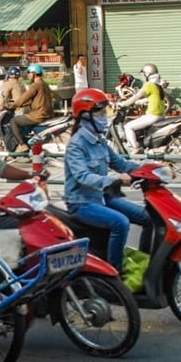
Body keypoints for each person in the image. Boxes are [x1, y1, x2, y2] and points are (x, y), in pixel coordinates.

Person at [63, 88, 151, 271]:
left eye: (105, 112)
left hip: (102, 198)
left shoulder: (100, 140)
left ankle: (147, 264)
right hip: (82, 203)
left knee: (149, 218)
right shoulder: (76, 145)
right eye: (100, 113)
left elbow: (121, 164)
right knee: (120, 222)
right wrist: (114, 180)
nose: (104, 117)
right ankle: (113, 273)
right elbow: (82, 176)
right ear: (85, 116)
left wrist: (151, 169)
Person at [116, 63, 165, 154]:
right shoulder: (158, 85)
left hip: (153, 115)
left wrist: (123, 104)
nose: (144, 76)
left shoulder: (149, 85)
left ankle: (135, 148)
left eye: (144, 74)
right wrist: (140, 102)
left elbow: (136, 96)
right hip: (161, 115)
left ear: (148, 74)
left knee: (128, 127)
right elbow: (153, 97)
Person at [10, 62, 54, 152]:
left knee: (14, 121)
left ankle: (22, 145)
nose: (28, 75)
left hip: (39, 115)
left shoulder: (35, 85)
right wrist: (22, 104)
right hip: (47, 114)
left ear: (34, 74)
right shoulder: (45, 85)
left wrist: (13, 105)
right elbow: (36, 100)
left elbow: (24, 98)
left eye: (29, 73)